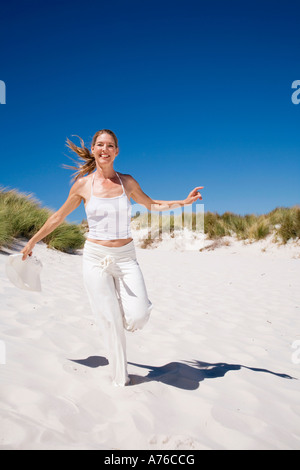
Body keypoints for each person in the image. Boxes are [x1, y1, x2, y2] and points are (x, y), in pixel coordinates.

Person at [21, 129, 203, 386]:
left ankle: (121, 316)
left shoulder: (126, 182)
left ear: (116, 151)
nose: (104, 149)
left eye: (109, 145)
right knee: (109, 320)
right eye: (100, 145)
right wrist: (32, 241)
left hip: (126, 258)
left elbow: (152, 204)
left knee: (138, 315)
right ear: (94, 150)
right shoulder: (83, 185)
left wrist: (183, 202)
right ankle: (121, 380)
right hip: (95, 257)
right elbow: (57, 217)